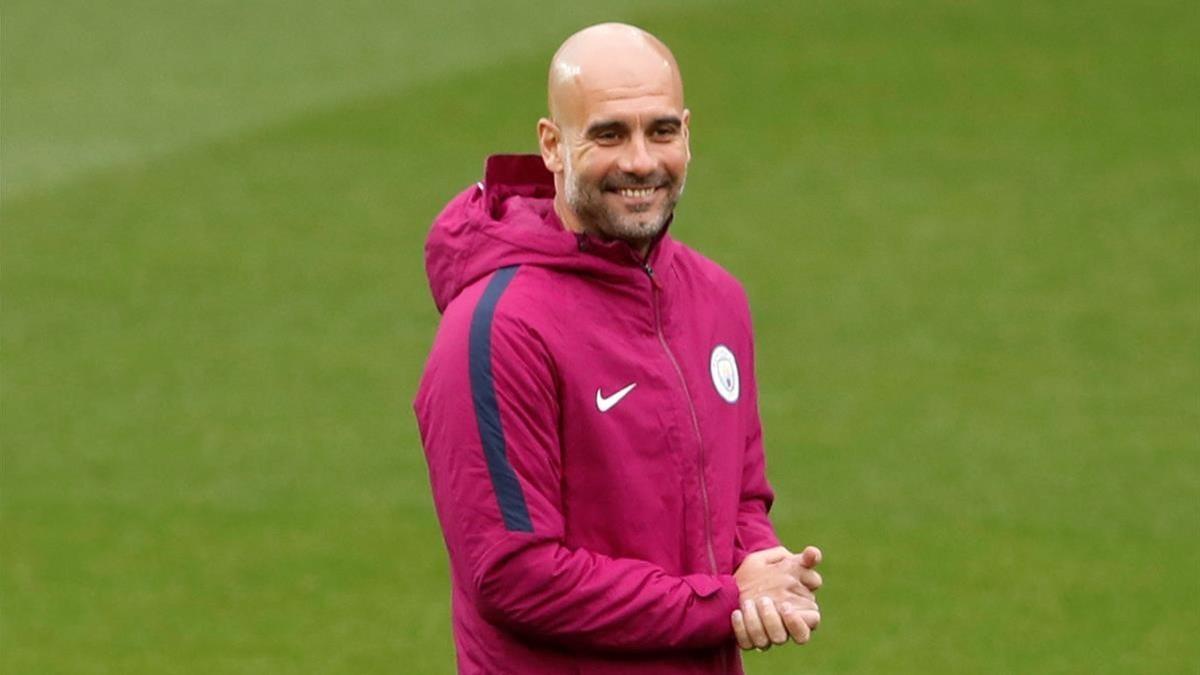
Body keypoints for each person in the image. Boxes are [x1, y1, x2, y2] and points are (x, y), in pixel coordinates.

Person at [414, 22, 823, 674]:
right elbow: (514, 573)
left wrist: (761, 563)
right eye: (608, 134)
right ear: (552, 146)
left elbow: (739, 493)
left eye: (661, 131)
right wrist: (724, 600)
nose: (640, 161)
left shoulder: (717, 297)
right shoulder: (497, 329)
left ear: (687, 133)